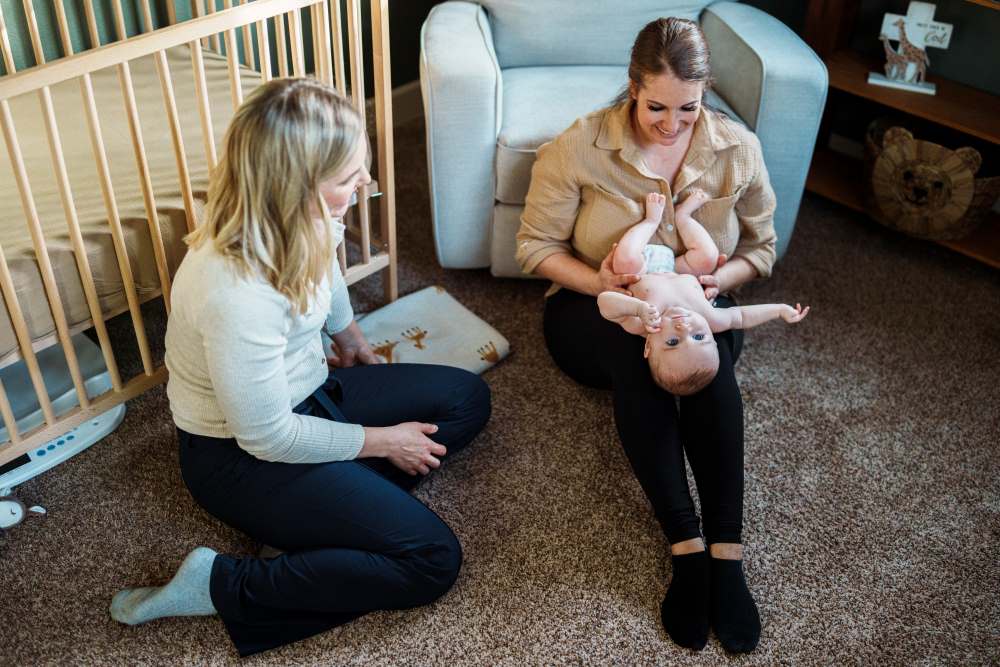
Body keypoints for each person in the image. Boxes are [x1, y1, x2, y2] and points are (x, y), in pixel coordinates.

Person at [109, 78, 491, 657]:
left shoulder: (304, 217)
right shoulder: (235, 293)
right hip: (238, 455)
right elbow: (266, 435)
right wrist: (383, 440)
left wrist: (351, 337)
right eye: (348, 178)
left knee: (466, 399)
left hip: (311, 393)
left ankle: (309, 525)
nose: (364, 184)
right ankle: (220, 583)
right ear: (295, 189)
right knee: (432, 560)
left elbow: (326, 268)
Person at [516, 17, 780, 653]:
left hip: (698, 304)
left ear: (705, 93)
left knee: (708, 356)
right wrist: (604, 282)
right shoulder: (578, 146)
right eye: (656, 106)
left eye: (687, 109)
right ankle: (686, 546)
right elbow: (535, 247)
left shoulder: (736, 147)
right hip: (592, 310)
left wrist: (723, 281)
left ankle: (726, 552)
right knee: (640, 363)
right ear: (633, 87)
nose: (671, 123)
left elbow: (763, 249)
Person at [600, 189, 809, 396]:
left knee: (625, 259)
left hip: (641, 268)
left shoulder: (642, 323)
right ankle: (683, 217)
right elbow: (743, 316)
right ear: (712, 336)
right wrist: (779, 310)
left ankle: (650, 222)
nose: (685, 328)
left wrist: (637, 308)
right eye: (699, 336)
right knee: (709, 257)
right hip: (677, 267)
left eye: (673, 342)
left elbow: (605, 303)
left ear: (648, 348)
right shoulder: (712, 319)